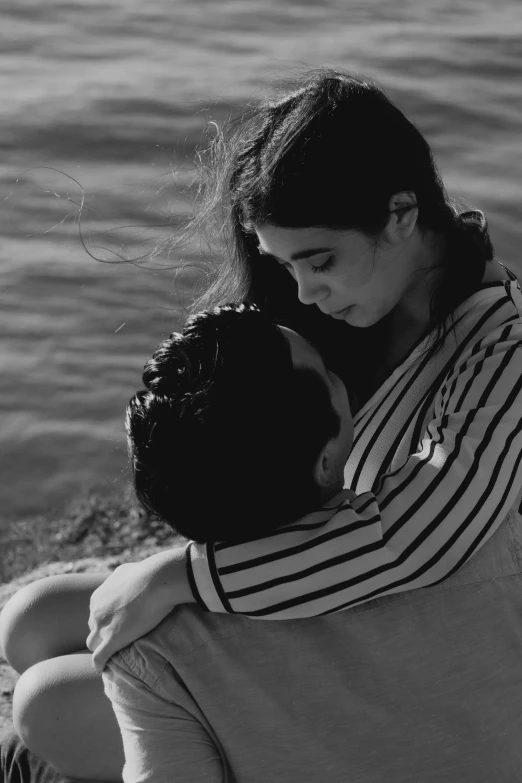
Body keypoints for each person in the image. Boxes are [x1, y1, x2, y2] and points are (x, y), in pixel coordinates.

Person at [1, 67, 522, 781]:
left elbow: (415, 536)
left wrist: (181, 576)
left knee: (51, 705)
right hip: (328, 575)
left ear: (403, 213)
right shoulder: (353, 305)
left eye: (320, 261)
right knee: (34, 619)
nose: (304, 292)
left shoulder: (504, 349)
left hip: (440, 639)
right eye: (287, 265)